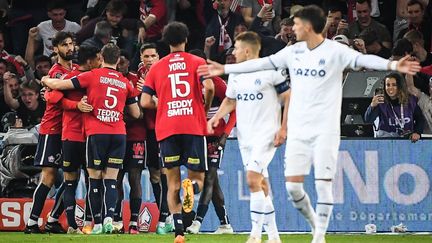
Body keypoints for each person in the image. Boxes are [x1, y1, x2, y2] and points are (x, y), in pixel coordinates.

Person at [198, 5, 421, 243]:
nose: (292, 28)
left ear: (307, 26)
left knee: (305, 183)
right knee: (285, 188)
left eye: (295, 24)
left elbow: (362, 59)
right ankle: (284, 232)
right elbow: (251, 76)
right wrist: (224, 72)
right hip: (275, 131)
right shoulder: (291, 53)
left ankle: (300, 236)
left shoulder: (333, 51)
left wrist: (393, 66)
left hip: (314, 129)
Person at [41, 43, 141, 234]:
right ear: (118, 61)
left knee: (94, 178)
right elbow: (136, 113)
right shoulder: (125, 82)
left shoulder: (92, 76)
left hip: (96, 133)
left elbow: (58, 84)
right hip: (119, 133)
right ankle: (110, 219)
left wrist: (46, 79)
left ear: (102, 58)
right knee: (111, 179)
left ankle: (96, 224)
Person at [207, 31, 287, 243]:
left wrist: (284, 128)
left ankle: (254, 235)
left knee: (252, 179)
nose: (233, 52)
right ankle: (274, 236)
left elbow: (289, 97)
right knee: (261, 183)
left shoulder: (271, 70)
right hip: (245, 136)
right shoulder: (236, 74)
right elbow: (230, 101)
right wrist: (215, 118)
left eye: (236, 48)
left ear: (248, 50)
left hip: (266, 135)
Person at [141, 21, 215, 243]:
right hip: (193, 125)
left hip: (167, 128)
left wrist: (163, 103)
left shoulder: (156, 67)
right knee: (198, 180)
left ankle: (179, 232)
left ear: (165, 41)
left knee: (171, 183)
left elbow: (145, 101)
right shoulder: (197, 61)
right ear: (186, 39)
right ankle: (191, 187)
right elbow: (210, 87)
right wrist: (203, 106)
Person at [25, 31, 79, 234]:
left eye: (71, 44)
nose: (69, 48)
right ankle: (31, 222)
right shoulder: (56, 73)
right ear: (55, 49)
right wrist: (77, 105)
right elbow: (55, 99)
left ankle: (54, 219)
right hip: (53, 128)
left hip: (70, 130)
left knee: (72, 176)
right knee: (48, 175)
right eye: (64, 45)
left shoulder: (75, 69)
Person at [43, 45, 100, 234]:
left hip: (75, 137)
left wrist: (46, 81)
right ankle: (79, 225)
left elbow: (52, 94)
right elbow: (52, 97)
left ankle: (80, 225)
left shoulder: (72, 79)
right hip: (83, 137)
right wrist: (76, 105)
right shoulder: (92, 78)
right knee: (85, 181)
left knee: (72, 182)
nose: (99, 61)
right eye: (97, 58)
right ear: (90, 61)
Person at [186, 49, 236, 235]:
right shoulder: (188, 83)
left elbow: (234, 108)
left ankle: (197, 222)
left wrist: (225, 136)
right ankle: (225, 224)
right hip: (198, 137)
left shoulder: (217, 83)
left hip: (216, 138)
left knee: (209, 177)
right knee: (213, 183)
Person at [137, 43, 173, 234]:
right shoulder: (139, 76)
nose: (149, 60)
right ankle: (166, 216)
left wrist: (147, 94)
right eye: (146, 56)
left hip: (164, 129)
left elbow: (166, 103)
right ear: (141, 58)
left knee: (166, 172)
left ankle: (165, 218)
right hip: (147, 132)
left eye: (153, 56)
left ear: (158, 57)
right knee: (154, 174)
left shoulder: (165, 74)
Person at [112, 51, 146, 234]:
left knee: (135, 178)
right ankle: (117, 220)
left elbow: (141, 112)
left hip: (135, 137)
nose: (119, 65)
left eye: (122, 62)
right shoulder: (109, 79)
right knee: (116, 179)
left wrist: (121, 116)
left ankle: (134, 222)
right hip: (116, 137)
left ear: (128, 63)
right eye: (117, 62)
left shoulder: (137, 81)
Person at [364, 72, 424, 141]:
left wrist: (417, 132)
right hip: (385, 139)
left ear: (400, 86)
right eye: (388, 85)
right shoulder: (381, 101)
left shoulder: (410, 100)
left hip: (407, 139)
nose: (390, 88)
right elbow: (368, 120)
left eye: (394, 85)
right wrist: (372, 106)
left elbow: (420, 118)